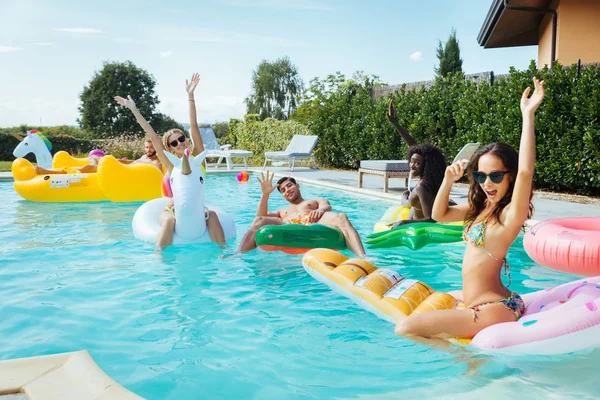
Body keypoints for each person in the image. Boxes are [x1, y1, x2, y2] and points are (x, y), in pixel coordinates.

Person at [394, 77, 544, 341]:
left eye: (496, 176)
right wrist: (448, 181)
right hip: (478, 302)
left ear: (509, 177)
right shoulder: (481, 208)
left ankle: (462, 357)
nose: (488, 183)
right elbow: (439, 216)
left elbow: (526, 170)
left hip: (495, 308)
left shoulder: (510, 215)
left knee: (405, 328)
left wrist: (528, 115)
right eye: (481, 176)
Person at [115, 72, 226, 249]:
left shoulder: (199, 161)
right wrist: (134, 109)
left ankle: (225, 254)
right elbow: (151, 134)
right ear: (170, 149)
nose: (179, 143)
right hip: (171, 210)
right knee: (168, 221)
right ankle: (160, 262)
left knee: (212, 215)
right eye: (174, 143)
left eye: (181, 139)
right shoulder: (171, 164)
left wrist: (190, 96)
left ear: (186, 140)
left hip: (196, 211)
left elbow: (194, 125)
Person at [237, 171, 366, 256]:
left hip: (314, 221)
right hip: (289, 225)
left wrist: (319, 211)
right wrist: (265, 195)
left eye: (289, 186)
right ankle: (238, 255)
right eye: (283, 190)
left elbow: (326, 205)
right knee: (259, 221)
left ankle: (363, 257)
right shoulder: (282, 211)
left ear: (297, 186)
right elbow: (260, 216)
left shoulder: (313, 202)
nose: (287, 190)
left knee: (341, 217)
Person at [385, 100, 450, 228]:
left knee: (408, 199)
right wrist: (395, 123)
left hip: (417, 229)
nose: (412, 165)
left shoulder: (422, 188)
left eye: (417, 163)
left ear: (426, 165)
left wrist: (403, 222)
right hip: (413, 206)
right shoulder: (429, 181)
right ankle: (404, 198)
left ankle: (405, 199)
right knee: (406, 199)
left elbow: (432, 219)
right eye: (411, 161)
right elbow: (414, 146)